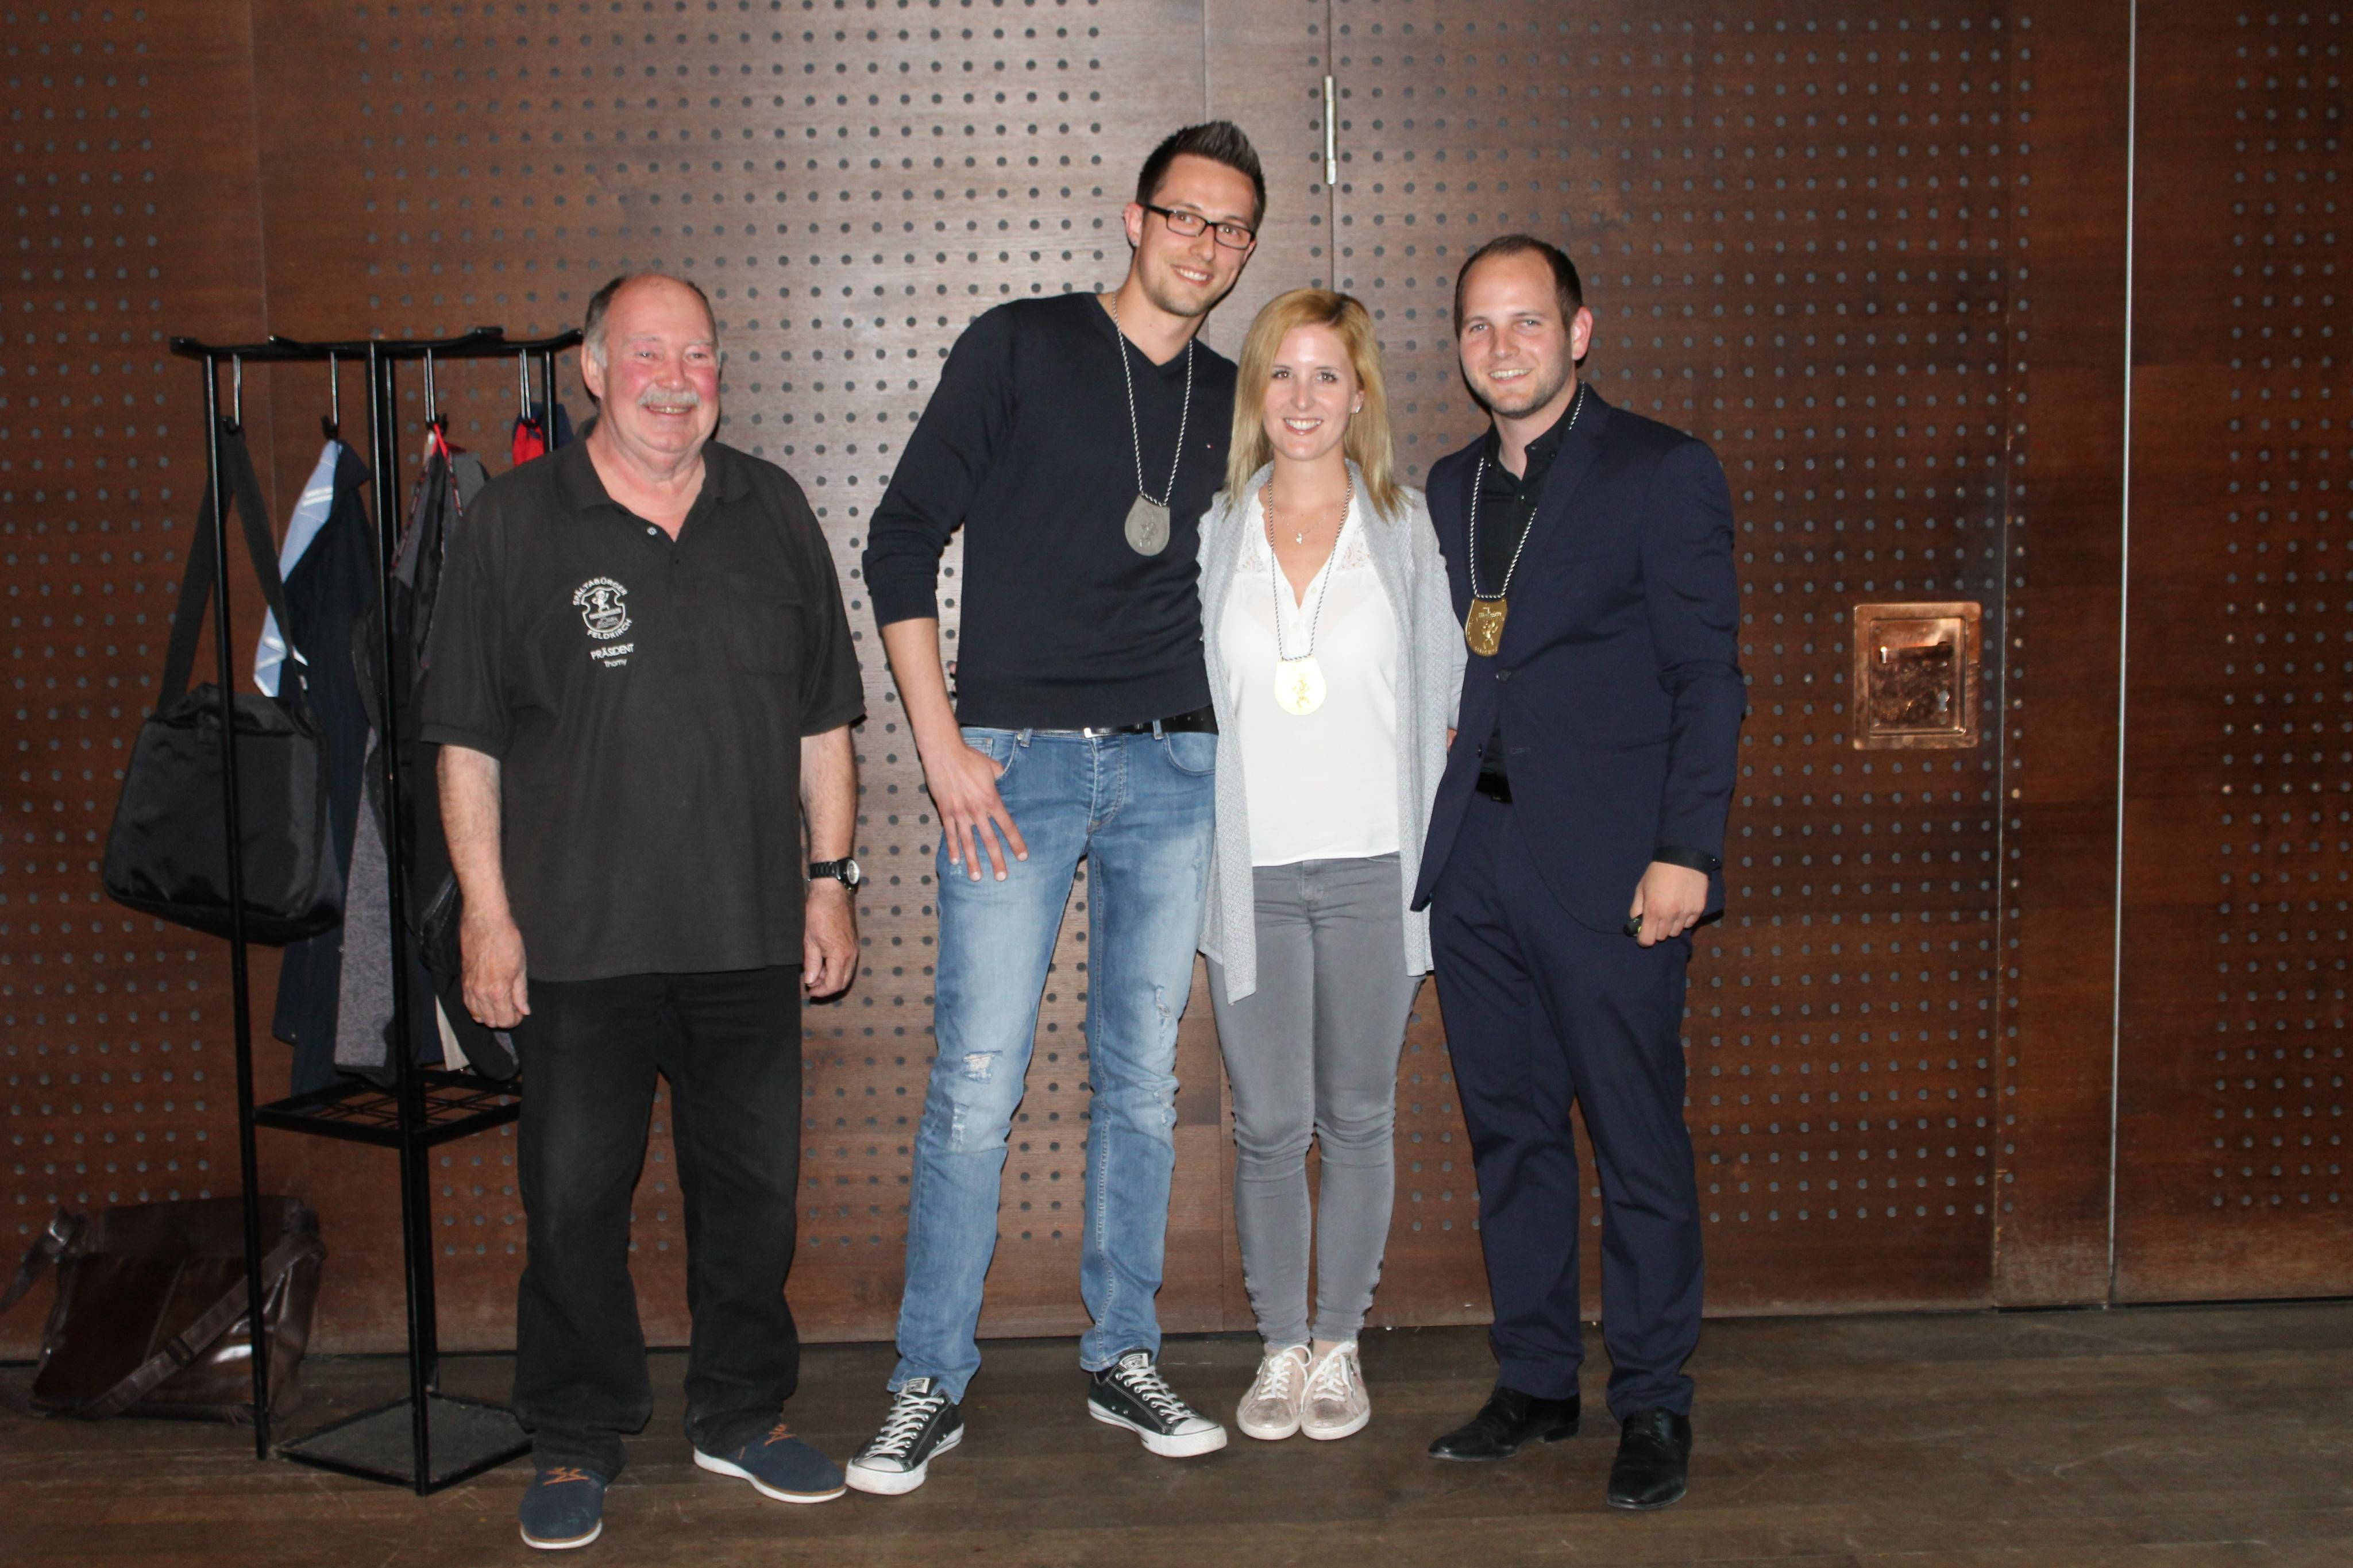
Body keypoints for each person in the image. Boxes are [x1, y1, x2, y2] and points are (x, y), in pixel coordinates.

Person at [847, 122, 1265, 1494]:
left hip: (1171, 767)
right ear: (1135, 219)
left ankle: (1121, 1352)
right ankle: (927, 1378)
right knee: (975, 1082)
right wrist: (941, 747)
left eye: (1231, 228)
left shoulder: (1235, 397)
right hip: (1011, 764)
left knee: (1139, 1082)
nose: (1204, 245)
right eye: (1184, 216)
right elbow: (898, 540)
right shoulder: (1019, 344)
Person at [422, 272, 866, 1550]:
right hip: (576, 942)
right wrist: (487, 916)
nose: (677, 380)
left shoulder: (771, 509)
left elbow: (823, 722)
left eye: (699, 356)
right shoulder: (513, 524)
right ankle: (574, 1435)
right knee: (572, 1207)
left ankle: (742, 1415)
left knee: (753, 1205)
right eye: (648, 354)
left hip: (747, 934)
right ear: (592, 369)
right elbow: (465, 743)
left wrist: (830, 881)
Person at [1413, 235, 1744, 1511]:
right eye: (1478, 326)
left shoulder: (1663, 469)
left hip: (1616, 869)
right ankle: (1537, 1380)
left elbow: (1707, 677)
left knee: (1635, 1137)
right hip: (1479, 861)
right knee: (1511, 1138)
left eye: (1526, 322)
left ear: (1579, 332)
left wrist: (1686, 852)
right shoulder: (1449, 487)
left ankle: (1652, 1398)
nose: (1501, 347)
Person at [1194, 289, 1461, 1444]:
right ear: (1256, 392)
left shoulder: (1404, 530)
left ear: (1359, 397)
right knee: (1266, 1124)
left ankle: (1338, 1346)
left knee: (1355, 1116)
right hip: (1248, 877)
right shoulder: (1216, 531)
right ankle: (1278, 1349)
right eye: (1281, 373)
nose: (1301, 399)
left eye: (1326, 376)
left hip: (1373, 872)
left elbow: (1447, 695)